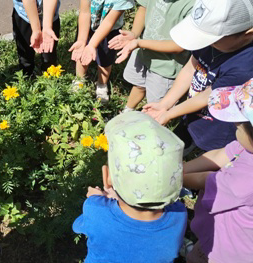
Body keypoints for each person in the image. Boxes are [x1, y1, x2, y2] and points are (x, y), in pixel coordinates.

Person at [143, 0, 253, 152]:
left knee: (199, 164)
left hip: (216, 130)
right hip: (191, 114)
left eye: (210, 39)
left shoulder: (246, 67)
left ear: (246, 35)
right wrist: (166, 103)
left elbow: (208, 97)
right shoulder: (211, 40)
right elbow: (190, 67)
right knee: (177, 148)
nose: (204, 43)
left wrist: (169, 113)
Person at [183, 73, 253, 263]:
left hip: (230, 248)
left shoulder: (249, 182)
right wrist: (182, 168)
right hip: (244, 234)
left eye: (239, 126)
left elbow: (205, 180)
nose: (234, 127)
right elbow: (220, 155)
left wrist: (172, 174)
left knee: (199, 259)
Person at [73, 111, 187, 263]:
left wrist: (97, 198)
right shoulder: (179, 215)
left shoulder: (95, 208)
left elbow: (78, 226)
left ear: (107, 178)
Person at [69, 0, 134, 103]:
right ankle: (80, 80)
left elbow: (109, 21)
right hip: (87, 26)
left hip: (110, 31)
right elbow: (84, 13)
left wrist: (93, 44)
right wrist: (84, 41)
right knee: (81, 53)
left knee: (105, 61)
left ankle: (102, 84)